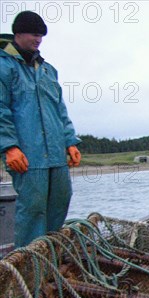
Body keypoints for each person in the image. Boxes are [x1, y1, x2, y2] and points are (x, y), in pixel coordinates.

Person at [0, 11, 81, 248]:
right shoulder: (4, 67)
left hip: (56, 153)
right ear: (19, 33)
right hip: (27, 155)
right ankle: (29, 265)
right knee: (33, 208)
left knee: (61, 199)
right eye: (35, 34)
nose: (39, 40)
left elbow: (60, 110)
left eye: (42, 36)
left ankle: (51, 258)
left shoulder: (48, 70)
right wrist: (9, 146)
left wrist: (70, 141)